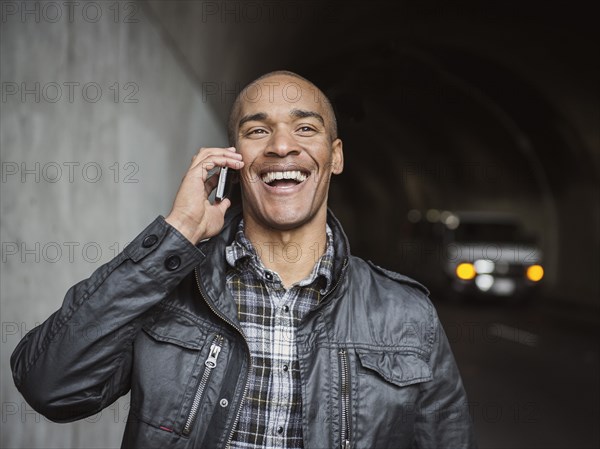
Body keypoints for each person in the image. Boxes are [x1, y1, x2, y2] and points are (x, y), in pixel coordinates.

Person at [11, 71, 476, 449]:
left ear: (334, 157)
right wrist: (176, 235)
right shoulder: (168, 290)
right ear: (233, 158)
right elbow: (50, 386)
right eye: (258, 130)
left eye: (305, 128)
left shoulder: (408, 315)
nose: (280, 146)